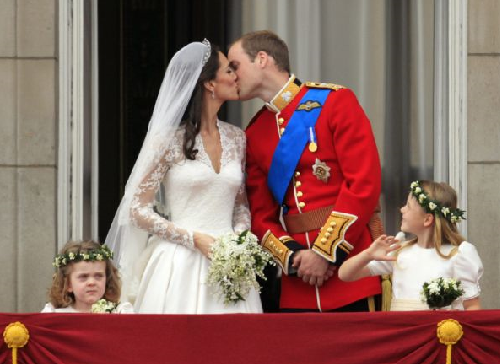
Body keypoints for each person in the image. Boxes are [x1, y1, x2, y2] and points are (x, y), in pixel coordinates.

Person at [228, 30, 382, 312]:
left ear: (262, 59)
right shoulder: (255, 131)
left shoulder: (335, 102)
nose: (230, 75)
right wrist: (293, 257)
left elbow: (364, 184)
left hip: (352, 269)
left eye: (235, 65)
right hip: (298, 283)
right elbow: (260, 216)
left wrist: (325, 252)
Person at [105, 39, 262, 314]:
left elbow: (240, 205)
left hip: (230, 265)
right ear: (209, 84)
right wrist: (193, 238)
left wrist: (239, 241)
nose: (236, 76)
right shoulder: (167, 141)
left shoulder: (237, 138)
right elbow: (137, 209)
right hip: (179, 263)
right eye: (228, 70)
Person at [338, 180, 483, 311]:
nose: (402, 209)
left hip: (439, 336)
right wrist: (367, 255)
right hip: (402, 334)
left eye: (408, 206)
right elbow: (345, 274)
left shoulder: (458, 255)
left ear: (427, 220)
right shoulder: (399, 251)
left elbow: (472, 307)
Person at [41, 240, 134, 313]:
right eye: (83, 277)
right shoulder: (54, 314)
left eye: (98, 276)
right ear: (68, 284)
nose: (92, 282)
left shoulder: (120, 312)